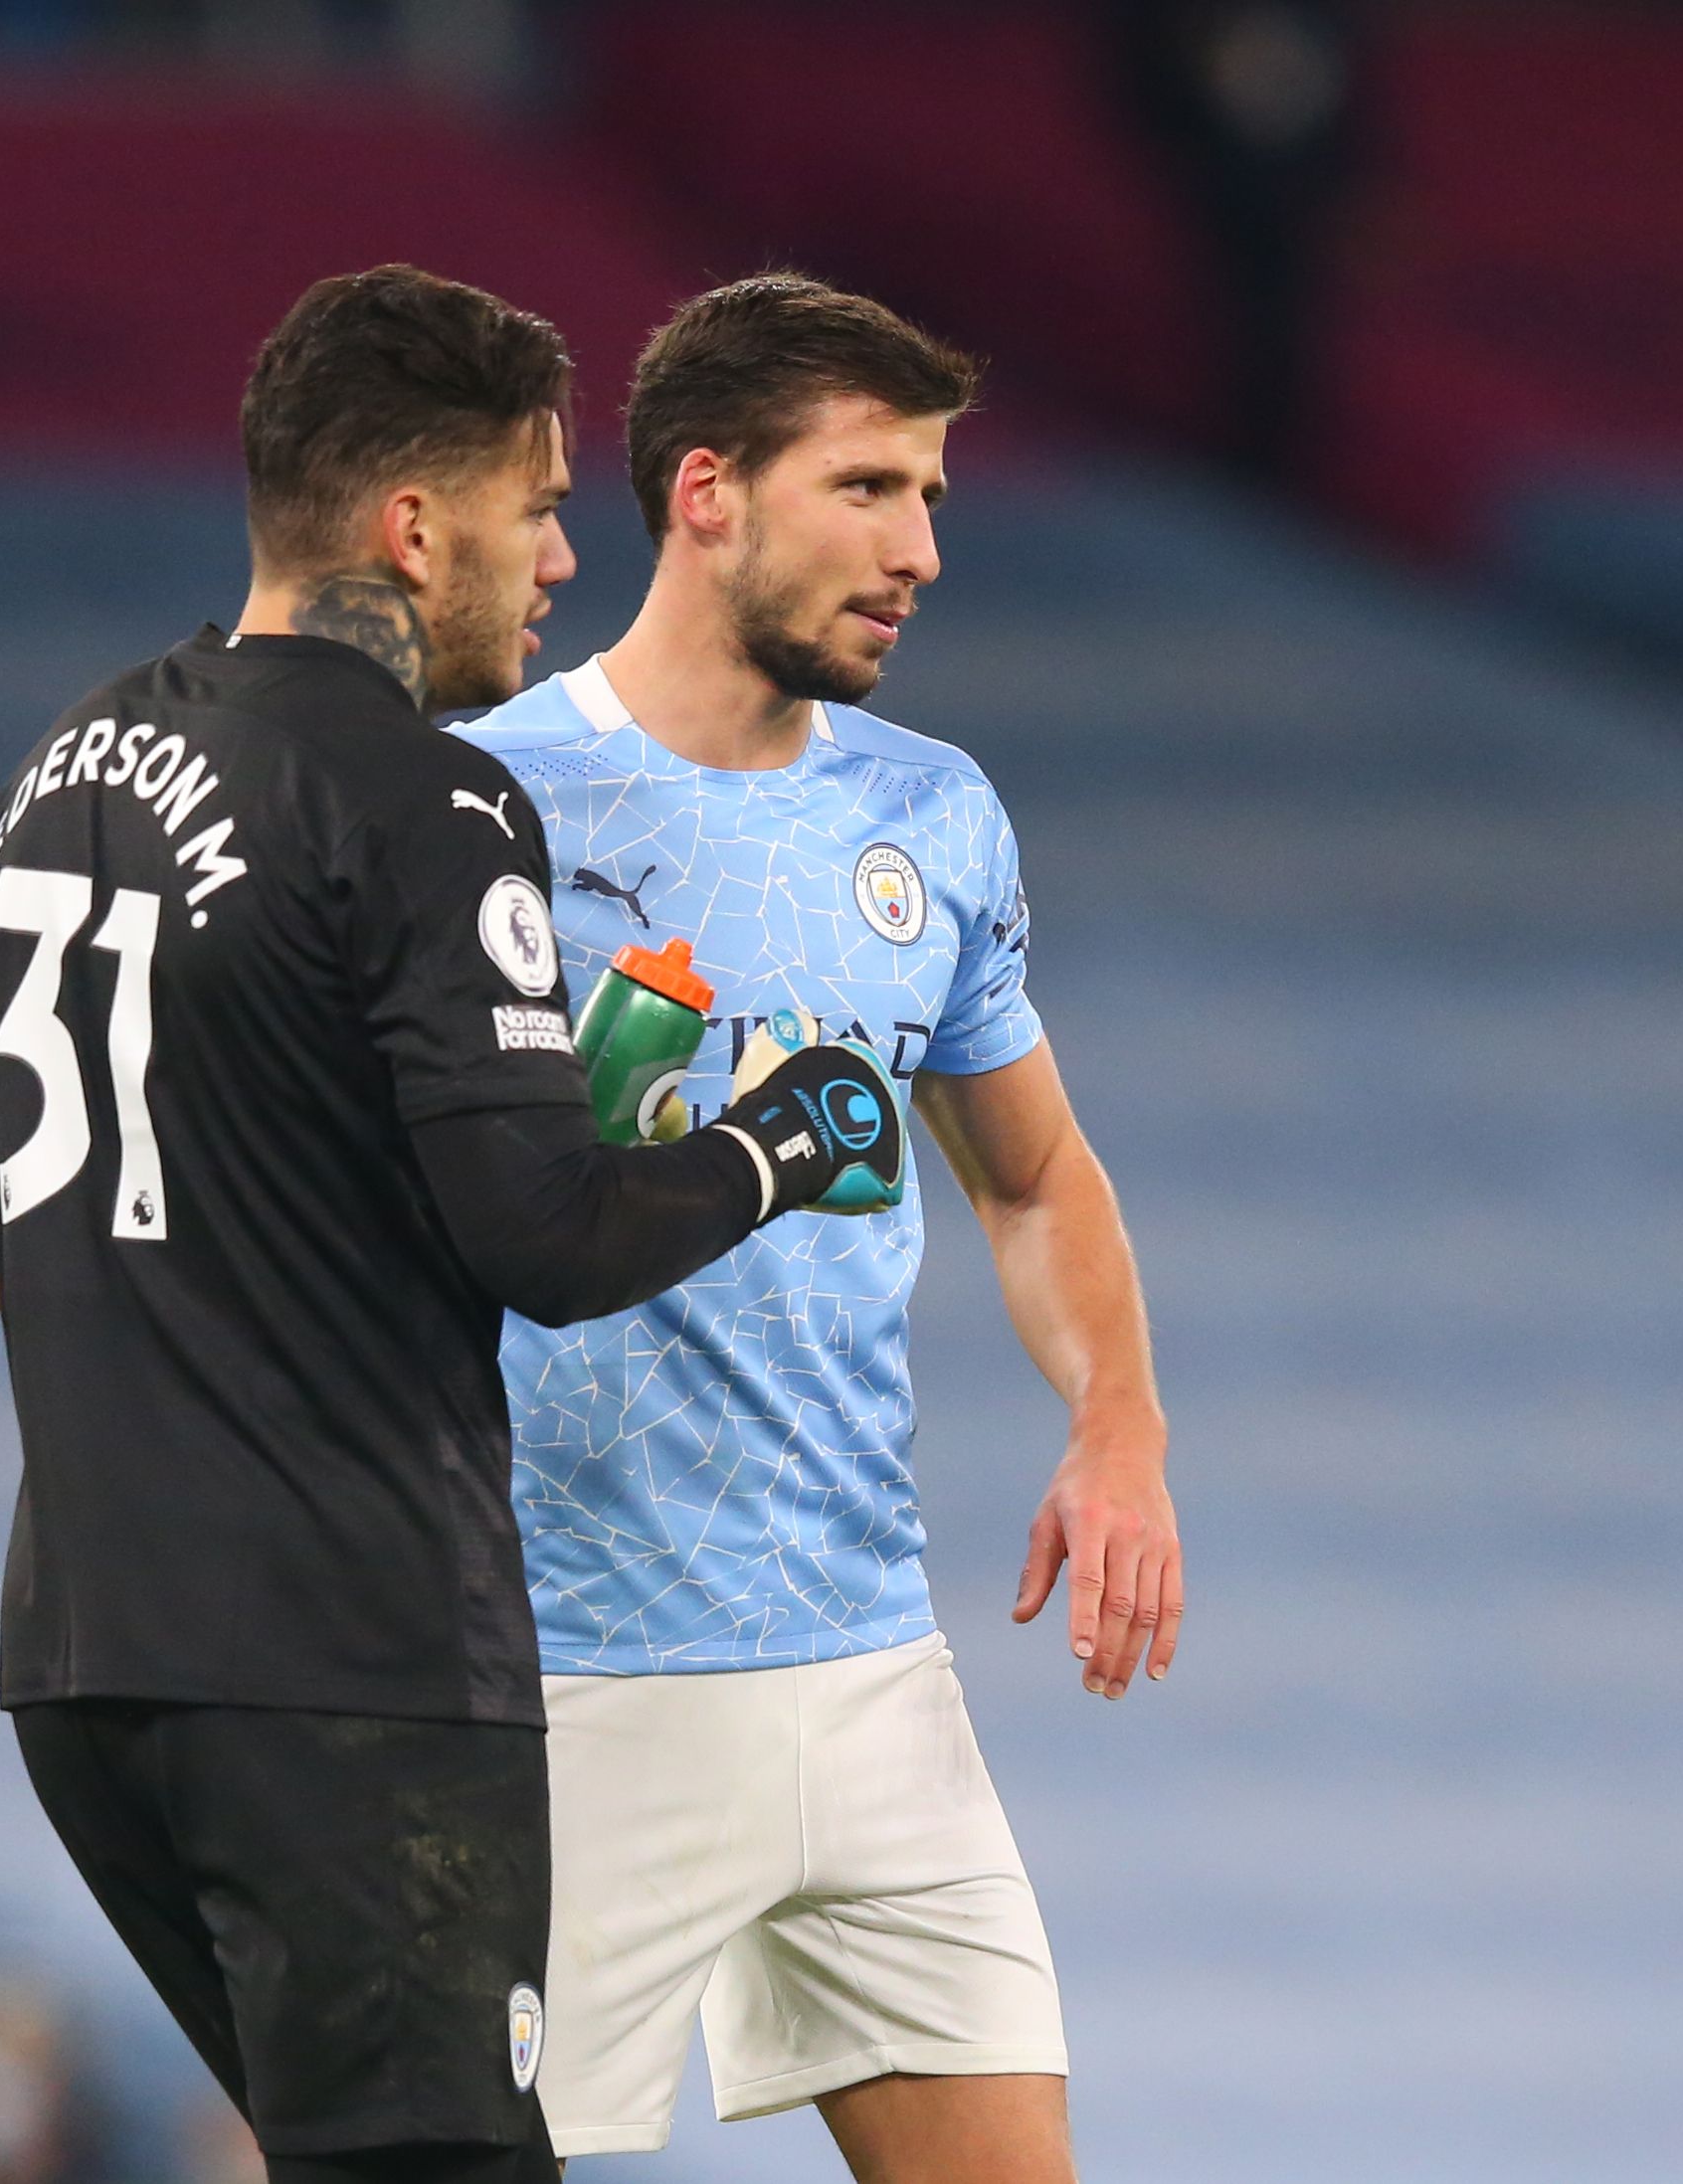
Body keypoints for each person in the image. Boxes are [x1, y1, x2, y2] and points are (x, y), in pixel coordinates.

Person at [0, 266, 901, 2184]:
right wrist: (784, 1136)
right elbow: (547, 1236)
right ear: (411, 525)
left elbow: (3, 1191)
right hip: (342, 1665)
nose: (553, 568)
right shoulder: (427, 802)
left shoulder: (66, 773)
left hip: (96, 1668)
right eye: (534, 514)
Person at [456, 274, 1172, 2181]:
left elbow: (1031, 1177)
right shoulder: (485, 804)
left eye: (931, 497)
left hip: (866, 1670)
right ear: (706, 491)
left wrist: (1116, 1427)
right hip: (557, 1677)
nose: (921, 549)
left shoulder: (931, 815)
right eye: (868, 489)